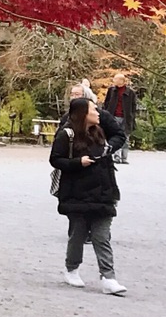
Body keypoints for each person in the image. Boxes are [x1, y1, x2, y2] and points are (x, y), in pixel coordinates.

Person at [51, 96, 128, 295]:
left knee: (102, 236)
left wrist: (108, 149)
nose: (98, 113)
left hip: (103, 189)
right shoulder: (66, 134)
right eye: (94, 109)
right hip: (77, 191)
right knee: (78, 233)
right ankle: (72, 268)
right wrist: (78, 162)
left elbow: (120, 136)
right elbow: (55, 159)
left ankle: (108, 277)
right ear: (84, 113)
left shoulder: (100, 131)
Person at [100, 72, 139, 163]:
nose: (114, 80)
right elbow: (106, 103)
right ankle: (116, 157)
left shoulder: (130, 92)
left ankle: (124, 157)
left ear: (122, 81)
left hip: (126, 118)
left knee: (125, 137)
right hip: (113, 116)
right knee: (115, 136)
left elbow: (133, 106)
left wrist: (132, 117)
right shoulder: (111, 90)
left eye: (115, 79)